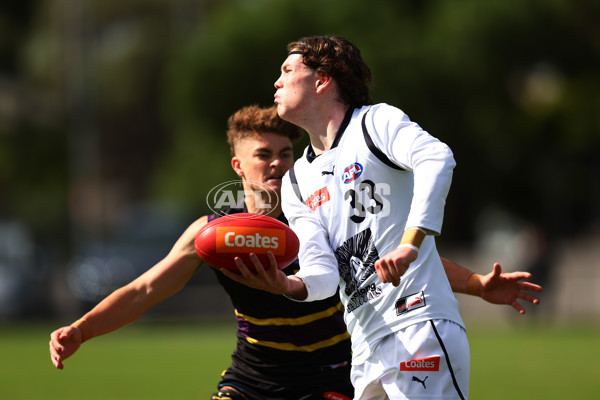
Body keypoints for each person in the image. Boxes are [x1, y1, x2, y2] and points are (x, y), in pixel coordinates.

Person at [50, 105, 541, 400]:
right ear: (237, 164)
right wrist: (83, 329)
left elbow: (394, 258)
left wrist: (477, 284)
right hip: (254, 376)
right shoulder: (213, 234)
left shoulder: (324, 213)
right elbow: (146, 288)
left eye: (286, 154)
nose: (278, 165)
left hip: (332, 373)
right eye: (263, 155)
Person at [219, 36, 518, 400]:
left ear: (321, 79)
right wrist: (285, 285)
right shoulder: (297, 180)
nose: (277, 83)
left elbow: (437, 159)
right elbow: (324, 273)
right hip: (364, 348)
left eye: (287, 71)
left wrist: (411, 245)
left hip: (416, 326)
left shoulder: (374, 122)